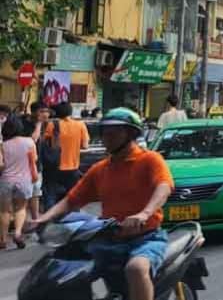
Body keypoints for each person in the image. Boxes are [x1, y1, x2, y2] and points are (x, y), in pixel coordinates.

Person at [30, 108, 174, 300]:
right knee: (66, 270)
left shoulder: (150, 160)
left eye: (114, 132)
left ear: (130, 134)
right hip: (108, 238)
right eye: (105, 132)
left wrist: (145, 213)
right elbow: (71, 200)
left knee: (136, 268)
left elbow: (164, 187)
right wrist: (42, 219)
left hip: (145, 238)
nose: (107, 137)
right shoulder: (101, 169)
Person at [42, 101, 90, 210]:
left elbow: (45, 142)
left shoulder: (52, 125)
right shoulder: (80, 125)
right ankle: (74, 220)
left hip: (54, 166)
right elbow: (85, 146)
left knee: (51, 194)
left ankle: (49, 219)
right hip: (72, 166)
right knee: (73, 195)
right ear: (70, 111)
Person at [1, 117, 37, 249]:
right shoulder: (29, 142)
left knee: (4, 211)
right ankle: (17, 233)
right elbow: (35, 159)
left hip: (6, 181)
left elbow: (1, 165)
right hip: (24, 181)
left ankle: (3, 239)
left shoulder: (2, 145)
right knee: (21, 208)